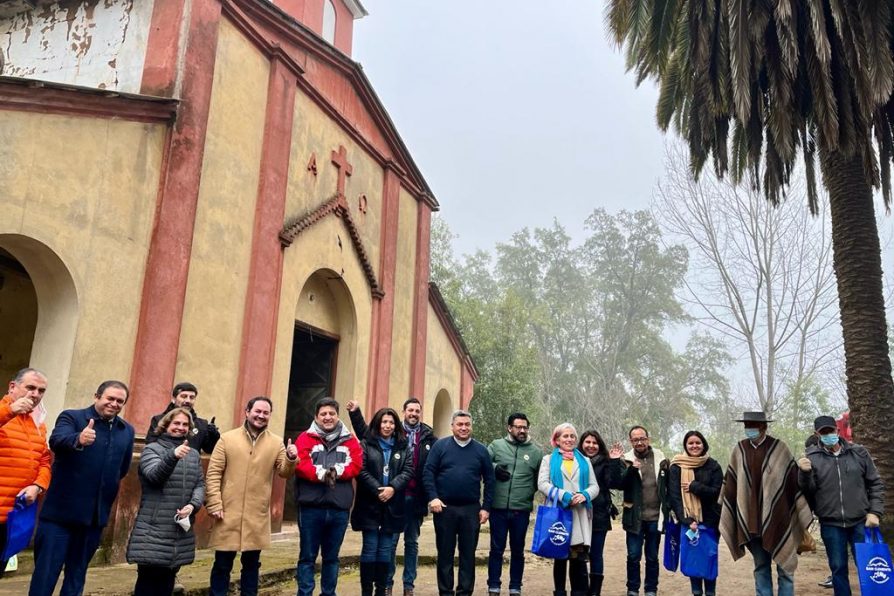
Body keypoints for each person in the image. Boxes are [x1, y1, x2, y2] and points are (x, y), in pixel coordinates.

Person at [29, 380, 135, 596]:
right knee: (45, 576)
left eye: (119, 401)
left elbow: (121, 470)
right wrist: (78, 438)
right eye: (110, 399)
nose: (114, 404)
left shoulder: (127, 430)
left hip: (92, 519)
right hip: (59, 517)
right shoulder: (72, 417)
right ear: (97, 396)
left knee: (76, 578)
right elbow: (56, 441)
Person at [205, 396, 297, 596]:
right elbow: (213, 473)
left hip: (257, 513)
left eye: (266, 413)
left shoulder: (276, 443)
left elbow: (284, 472)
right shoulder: (227, 439)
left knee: (252, 565)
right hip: (227, 511)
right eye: (257, 411)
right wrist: (214, 502)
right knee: (222, 564)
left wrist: (291, 458)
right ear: (247, 412)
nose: (261, 416)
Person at [347, 396, 437, 596]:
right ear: (404, 412)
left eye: (417, 410)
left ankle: (407, 586)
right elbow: (363, 444)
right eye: (410, 410)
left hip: (411, 497)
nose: (413, 413)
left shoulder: (425, 437)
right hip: (382, 501)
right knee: (382, 545)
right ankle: (384, 586)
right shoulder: (377, 439)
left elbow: (419, 468)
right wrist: (355, 413)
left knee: (410, 543)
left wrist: (395, 489)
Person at [720, 412, 812, 596]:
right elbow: (731, 485)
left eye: (753, 425)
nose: (749, 429)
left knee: (785, 569)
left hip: (779, 519)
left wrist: (804, 471)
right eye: (747, 425)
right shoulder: (739, 449)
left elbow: (793, 484)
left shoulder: (780, 449)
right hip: (752, 523)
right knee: (761, 567)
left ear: (764, 427)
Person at [798, 415, 885, 596]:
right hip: (831, 524)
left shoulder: (859, 452)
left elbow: (875, 483)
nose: (828, 434)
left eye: (831, 430)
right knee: (838, 568)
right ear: (817, 434)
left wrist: (875, 512)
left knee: (869, 566)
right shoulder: (812, 457)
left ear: (837, 431)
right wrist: (804, 473)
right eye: (824, 432)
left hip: (861, 522)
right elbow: (808, 492)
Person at [126, 408, 205, 595]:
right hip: (153, 530)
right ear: (165, 425)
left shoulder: (193, 454)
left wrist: (192, 505)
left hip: (178, 531)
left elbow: (200, 484)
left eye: (185, 424)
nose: (180, 427)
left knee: (167, 583)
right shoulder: (152, 449)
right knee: (148, 583)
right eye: (176, 423)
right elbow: (154, 476)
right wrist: (173, 456)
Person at [294, 397, 363, 596]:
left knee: (331, 558)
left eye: (331, 413)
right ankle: (304, 593)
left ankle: (328, 593)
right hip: (310, 508)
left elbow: (356, 464)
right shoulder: (305, 438)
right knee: (307, 556)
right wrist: (322, 474)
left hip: (338, 508)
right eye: (323, 414)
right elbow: (301, 464)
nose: (327, 417)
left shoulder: (350, 440)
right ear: (316, 417)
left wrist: (337, 472)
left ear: (337, 416)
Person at [423, 410, 495, 596]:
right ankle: (445, 592)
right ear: (452, 426)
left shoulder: (481, 450)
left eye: (467, 424)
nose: (464, 428)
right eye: (460, 424)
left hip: (471, 510)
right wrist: (433, 497)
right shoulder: (440, 446)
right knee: (445, 555)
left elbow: (490, 480)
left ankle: (465, 592)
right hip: (444, 509)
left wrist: (486, 507)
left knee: (467, 555)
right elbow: (428, 473)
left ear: (471, 426)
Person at [350, 407, 415, 596]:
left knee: (386, 550)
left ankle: (381, 590)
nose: (387, 426)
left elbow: (408, 470)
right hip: (369, 504)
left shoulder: (403, 446)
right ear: (378, 423)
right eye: (384, 422)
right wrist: (379, 489)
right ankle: (366, 591)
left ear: (396, 426)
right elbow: (360, 470)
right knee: (370, 548)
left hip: (393, 506)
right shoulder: (366, 444)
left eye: (391, 422)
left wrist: (392, 487)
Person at [0, 368, 51, 578]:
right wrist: (11, 411)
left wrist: (38, 486)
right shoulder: (5, 411)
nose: (35, 394)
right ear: (13, 386)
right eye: (30, 387)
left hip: (13, 516)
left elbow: (45, 460)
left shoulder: (38, 424)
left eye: (41, 390)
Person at [538, 423, 600, 596]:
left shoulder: (585, 460)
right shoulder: (548, 460)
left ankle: (579, 592)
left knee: (578, 558)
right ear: (557, 439)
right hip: (559, 513)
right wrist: (564, 496)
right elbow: (542, 484)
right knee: (560, 556)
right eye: (565, 436)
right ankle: (559, 591)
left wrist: (585, 495)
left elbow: (594, 486)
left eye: (572, 436)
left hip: (580, 513)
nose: (569, 439)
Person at [486, 413, 542, 596]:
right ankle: (493, 586)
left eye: (525, 427)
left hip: (521, 509)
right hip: (498, 507)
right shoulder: (496, 446)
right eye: (518, 427)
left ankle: (515, 587)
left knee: (518, 550)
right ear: (509, 428)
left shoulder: (535, 452)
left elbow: (539, 480)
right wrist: (494, 469)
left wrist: (526, 494)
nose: (522, 430)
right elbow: (482, 465)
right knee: (496, 549)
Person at [668, 431, 723, 596]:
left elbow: (717, 492)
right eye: (690, 443)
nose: (694, 446)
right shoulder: (677, 466)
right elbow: (675, 496)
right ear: (685, 445)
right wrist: (687, 519)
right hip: (690, 522)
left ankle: (711, 592)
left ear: (704, 444)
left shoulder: (713, 466)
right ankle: (697, 592)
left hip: (711, 521)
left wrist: (694, 486)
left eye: (697, 443)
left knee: (709, 557)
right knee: (694, 559)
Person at [619, 425, 669, 596]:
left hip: (655, 516)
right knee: (633, 556)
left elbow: (667, 486)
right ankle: (632, 589)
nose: (639, 442)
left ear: (648, 439)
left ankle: (650, 589)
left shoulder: (661, 458)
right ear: (630, 441)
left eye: (642, 438)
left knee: (652, 557)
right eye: (635, 439)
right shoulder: (625, 459)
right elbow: (619, 483)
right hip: (634, 516)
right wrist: (631, 468)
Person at [578, 430, 624, 596]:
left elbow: (615, 483)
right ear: (582, 444)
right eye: (587, 442)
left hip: (599, 514)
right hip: (577, 513)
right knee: (579, 553)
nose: (591, 446)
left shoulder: (605, 462)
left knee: (596, 554)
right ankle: (581, 589)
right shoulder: (575, 460)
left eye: (595, 443)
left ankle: (595, 591)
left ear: (600, 445)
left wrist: (614, 461)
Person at [146, 382, 219, 453]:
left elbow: (210, 450)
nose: (188, 400)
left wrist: (214, 436)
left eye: (192, 397)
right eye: (184, 396)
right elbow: (150, 446)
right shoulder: (159, 420)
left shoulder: (202, 424)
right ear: (173, 399)